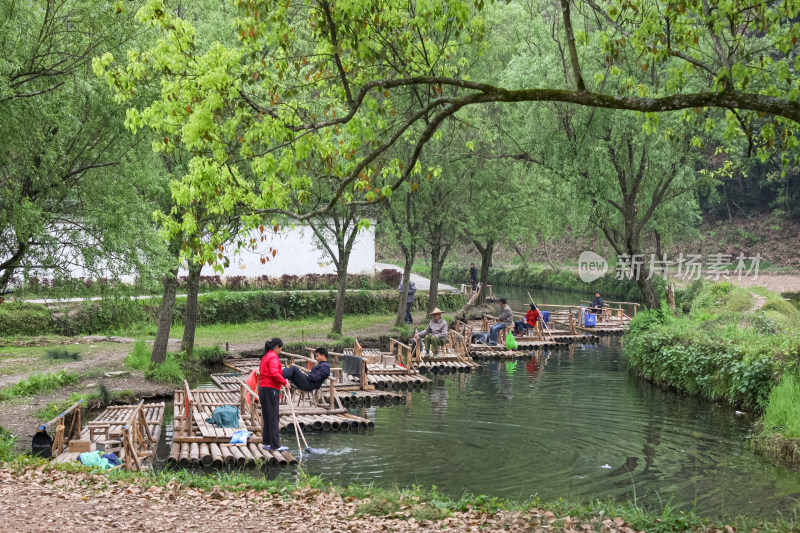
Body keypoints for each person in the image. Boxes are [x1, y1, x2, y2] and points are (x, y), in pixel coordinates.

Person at [259, 337, 288, 452]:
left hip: (263, 388)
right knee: (273, 417)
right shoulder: (273, 357)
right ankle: (276, 445)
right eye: (280, 349)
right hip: (271, 389)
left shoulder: (265, 357)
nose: (280, 351)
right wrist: (285, 382)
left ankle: (266, 442)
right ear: (276, 347)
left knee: (267, 416)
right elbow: (274, 373)